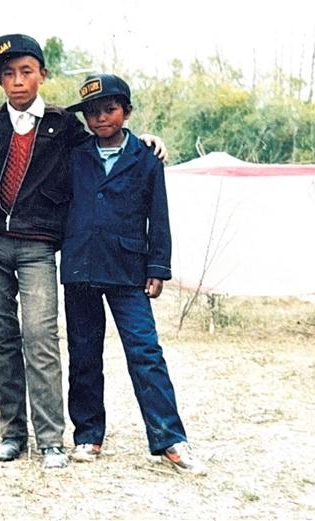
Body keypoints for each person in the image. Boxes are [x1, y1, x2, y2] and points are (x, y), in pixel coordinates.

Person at [0, 34, 166, 469]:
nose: (18, 81)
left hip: (39, 247)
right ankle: (12, 432)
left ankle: (51, 438)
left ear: (42, 74)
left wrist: (145, 140)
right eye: (8, 74)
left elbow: (106, 141)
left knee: (41, 338)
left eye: (26, 72)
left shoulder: (64, 125)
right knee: (2, 340)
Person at [61, 73, 206, 475]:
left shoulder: (146, 157)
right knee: (83, 354)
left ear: (126, 112)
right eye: (92, 112)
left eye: (109, 109)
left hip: (128, 270)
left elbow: (158, 215)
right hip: (80, 266)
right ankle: (88, 435)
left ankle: (170, 438)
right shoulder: (75, 154)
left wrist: (158, 266)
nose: (100, 118)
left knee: (145, 352)